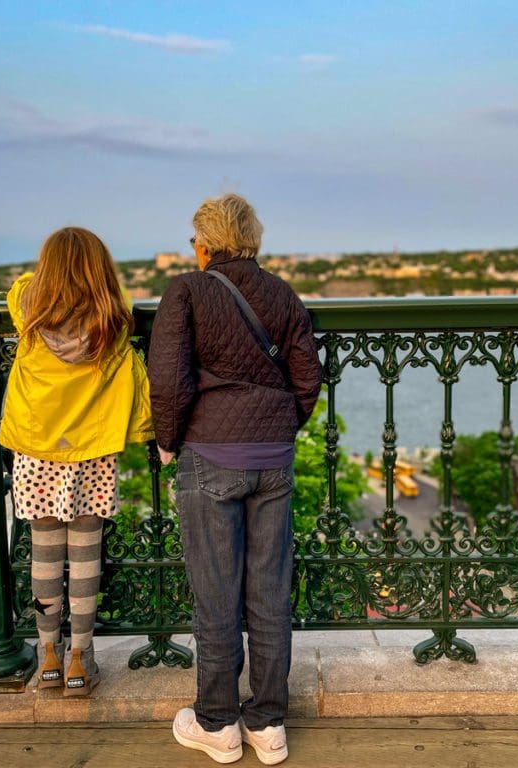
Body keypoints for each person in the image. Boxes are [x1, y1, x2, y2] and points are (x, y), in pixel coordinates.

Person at [148, 194, 322, 764]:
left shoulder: (187, 290)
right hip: (273, 457)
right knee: (269, 591)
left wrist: (169, 440)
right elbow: (307, 379)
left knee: (216, 594)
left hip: (210, 455)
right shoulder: (283, 293)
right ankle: (268, 725)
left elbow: (169, 379)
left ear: (204, 243)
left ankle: (218, 723)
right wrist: (279, 426)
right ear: (252, 239)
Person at [0, 226, 152, 697]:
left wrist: (41, 277)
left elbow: (18, 286)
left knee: (44, 553)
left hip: (39, 449)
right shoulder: (111, 318)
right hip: (92, 451)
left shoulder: (30, 311)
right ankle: (80, 660)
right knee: (85, 557)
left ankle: (48, 655)